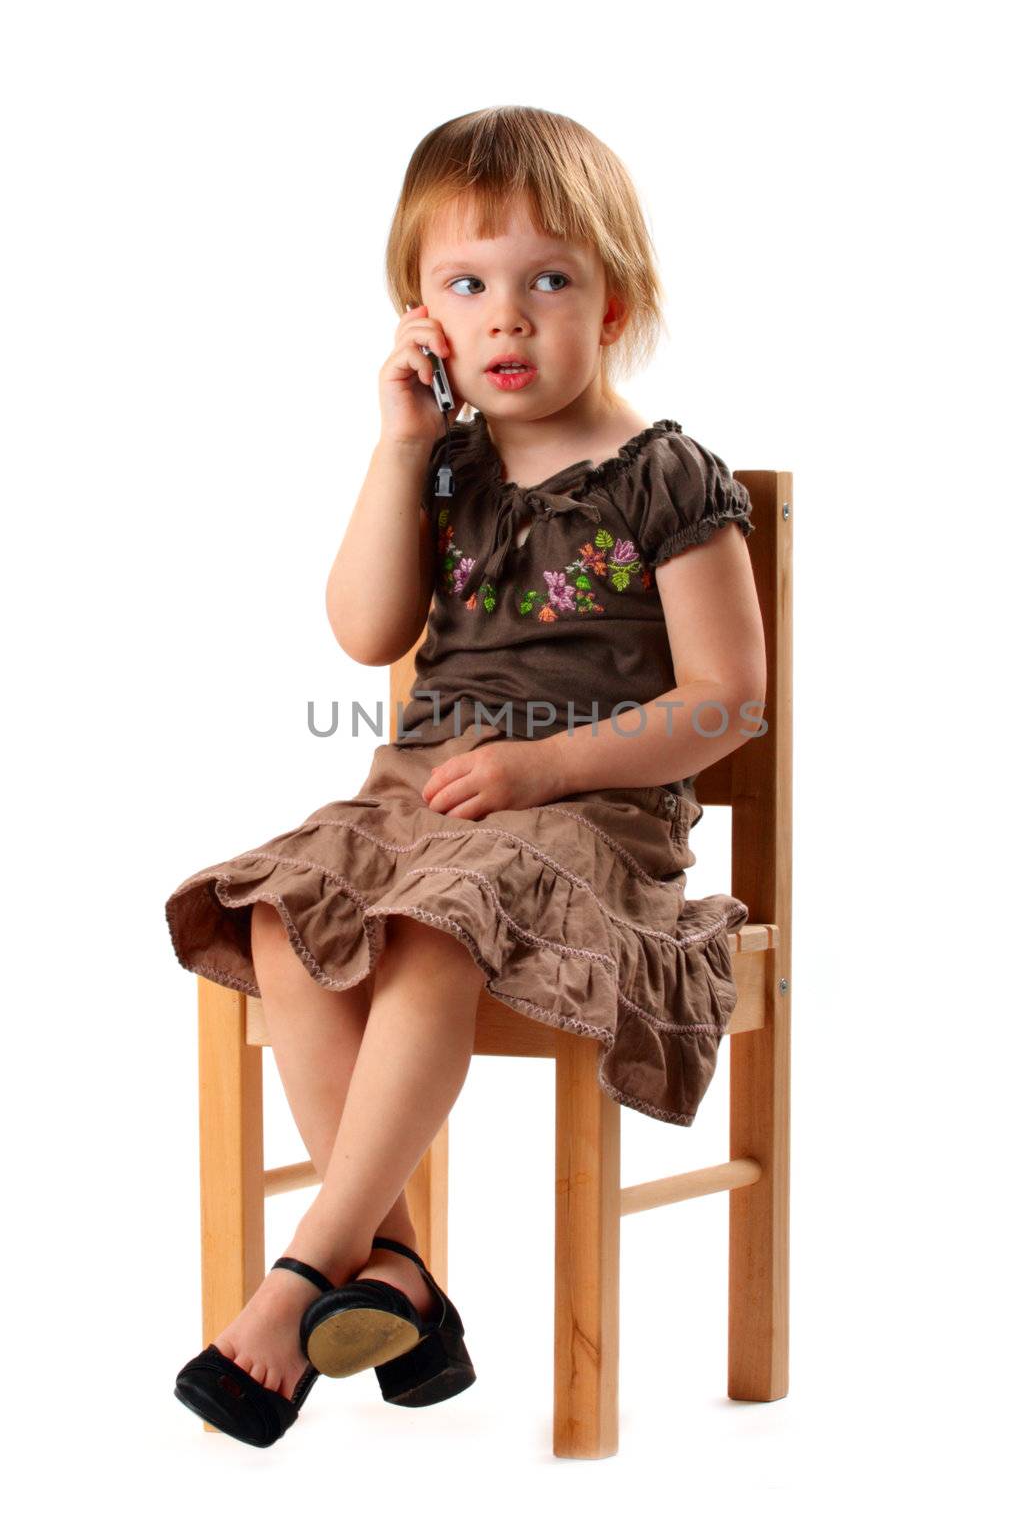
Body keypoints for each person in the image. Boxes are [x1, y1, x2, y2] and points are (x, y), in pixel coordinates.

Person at [167, 104, 767, 1447]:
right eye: (468, 285)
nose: (509, 318)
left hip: (596, 819)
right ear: (421, 316)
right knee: (282, 911)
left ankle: (305, 1270)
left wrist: (544, 764)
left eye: (548, 280)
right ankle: (401, 1271)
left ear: (610, 308)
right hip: (423, 802)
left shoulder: (667, 478)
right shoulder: (440, 470)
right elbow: (367, 633)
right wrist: (394, 449)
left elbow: (728, 701)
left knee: (433, 931)